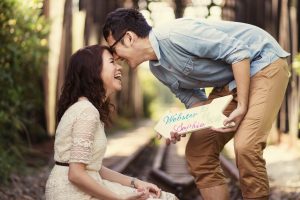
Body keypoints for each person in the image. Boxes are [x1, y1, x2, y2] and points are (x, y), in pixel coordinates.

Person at [102, 8, 290, 200]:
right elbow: (196, 103)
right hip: (231, 82)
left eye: (113, 49)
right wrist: (182, 123)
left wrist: (242, 105)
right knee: (198, 153)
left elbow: (239, 52)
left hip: (262, 62)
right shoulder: (157, 69)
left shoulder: (175, 34)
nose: (116, 58)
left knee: (246, 146)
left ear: (129, 38)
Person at [45, 45, 178, 200]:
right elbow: (75, 174)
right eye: (111, 62)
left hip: (74, 189)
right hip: (73, 193)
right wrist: (119, 198)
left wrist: (136, 183)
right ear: (94, 70)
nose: (119, 67)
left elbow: (94, 169)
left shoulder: (84, 107)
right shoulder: (87, 111)